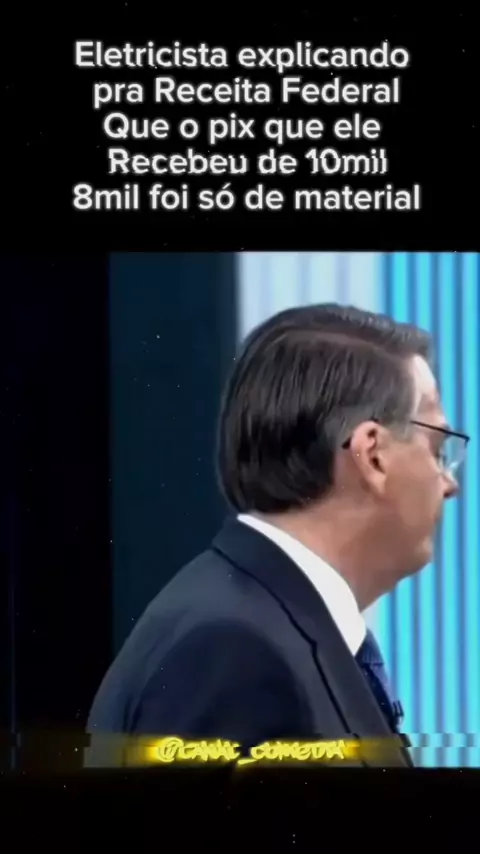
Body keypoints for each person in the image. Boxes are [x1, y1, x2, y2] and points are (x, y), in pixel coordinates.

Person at [85, 303, 467, 767]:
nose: (450, 484)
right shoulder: (235, 650)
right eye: (438, 449)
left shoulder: (265, 624)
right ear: (373, 455)